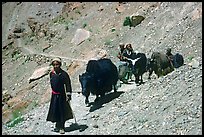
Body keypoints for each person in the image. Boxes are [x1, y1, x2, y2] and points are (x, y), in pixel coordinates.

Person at [46, 57, 73, 134]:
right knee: (55, 110)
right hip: (54, 95)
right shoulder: (51, 74)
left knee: (62, 111)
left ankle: (62, 127)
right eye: (54, 64)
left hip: (62, 96)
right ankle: (57, 125)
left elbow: (68, 85)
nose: (55, 66)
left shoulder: (64, 74)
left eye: (57, 64)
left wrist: (68, 94)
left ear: (60, 65)